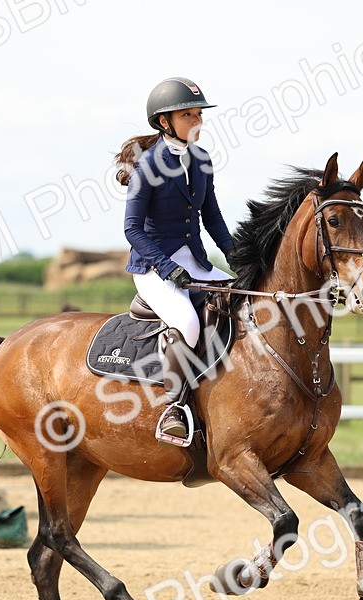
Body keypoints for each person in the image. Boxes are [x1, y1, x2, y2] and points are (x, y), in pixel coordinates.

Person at [113, 77, 235, 446]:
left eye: (199, 114)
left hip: (194, 261)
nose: (197, 121)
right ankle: (174, 408)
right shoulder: (148, 165)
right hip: (153, 267)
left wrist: (238, 257)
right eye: (188, 115)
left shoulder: (201, 159)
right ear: (165, 121)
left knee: (238, 302)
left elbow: (211, 218)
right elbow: (132, 229)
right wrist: (166, 268)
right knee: (187, 322)